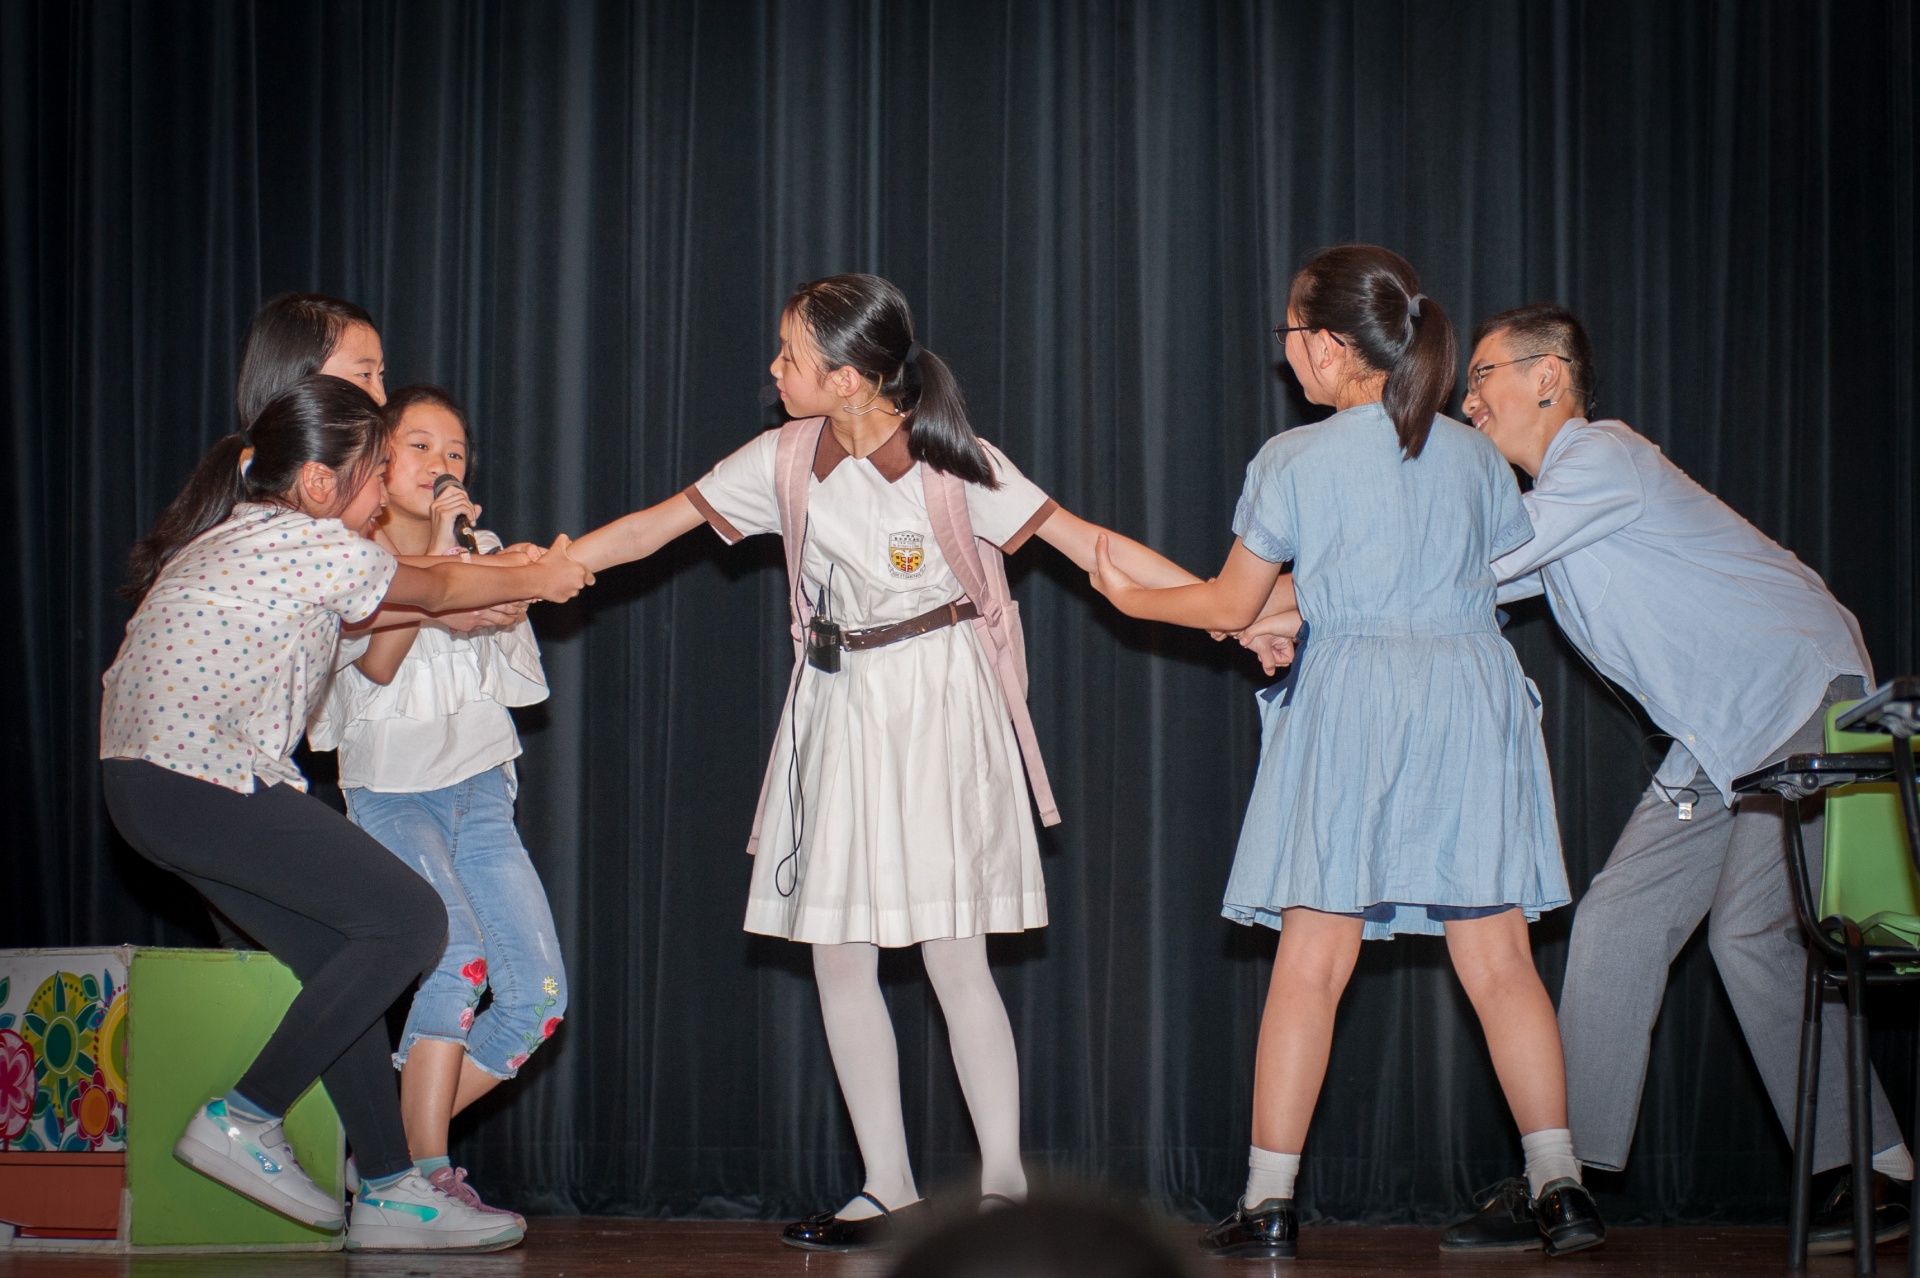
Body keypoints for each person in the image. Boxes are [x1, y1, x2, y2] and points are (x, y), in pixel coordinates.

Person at [569, 272, 1202, 1250]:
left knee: (954, 952)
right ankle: (886, 1187)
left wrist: (1228, 610)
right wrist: (546, 568)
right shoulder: (784, 459)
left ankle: (1002, 1189)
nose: (774, 370)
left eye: (790, 356)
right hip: (835, 705)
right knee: (838, 952)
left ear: (851, 378)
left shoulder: (955, 464)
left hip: (940, 702)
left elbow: (1094, 548)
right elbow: (656, 526)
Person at [1089, 245, 1604, 1260]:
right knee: (1501, 961)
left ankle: (1269, 1203)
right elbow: (1494, 573)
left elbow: (1231, 601)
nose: (1285, 351)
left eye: (1291, 333)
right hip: (1469, 693)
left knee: (1312, 962)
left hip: (1357, 701)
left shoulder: (1293, 459)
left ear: (1328, 345)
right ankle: (1562, 1186)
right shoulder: (1476, 455)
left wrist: (1129, 596)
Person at [1438, 302, 1910, 1253]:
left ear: (1548, 374)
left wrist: (1287, 592)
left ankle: (1875, 1169)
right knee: (1618, 917)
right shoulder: (1562, 512)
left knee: (1749, 933)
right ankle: (1561, 1178)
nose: (1467, 401)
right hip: (1721, 743)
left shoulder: (1597, 458)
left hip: (1800, 698)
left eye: (1481, 375)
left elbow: (1472, 563)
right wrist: (1284, 609)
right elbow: (1455, 591)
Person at [99, 374, 590, 1251]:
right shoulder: (312, 540)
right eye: (374, 478)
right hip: (195, 780)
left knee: (346, 956)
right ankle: (246, 1115)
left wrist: (480, 589)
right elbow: (430, 589)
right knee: (414, 922)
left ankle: (394, 1190)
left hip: (152, 789)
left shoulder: (247, 533)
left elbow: (402, 610)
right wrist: (540, 573)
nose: (379, 503)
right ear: (322, 483)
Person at [306, 383, 557, 1231]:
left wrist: (499, 579)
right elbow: (376, 668)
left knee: (537, 999)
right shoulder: (350, 550)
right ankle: (420, 1176)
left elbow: (513, 658)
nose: (441, 465)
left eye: (455, 453)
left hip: (481, 786)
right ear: (378, 458)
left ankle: (379, 1152)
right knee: (456, 956)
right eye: (420, 446)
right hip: (392, 789)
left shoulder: (480, 547)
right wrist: (446, 574)